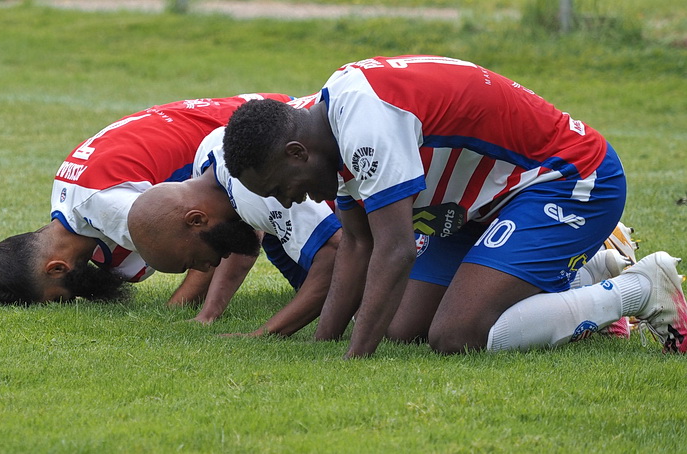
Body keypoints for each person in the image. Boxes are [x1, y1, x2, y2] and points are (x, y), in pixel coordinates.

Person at [222, 55, 687, 358]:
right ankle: (587, 270)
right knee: (403, 327)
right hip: (485, 204)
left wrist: (353, 361)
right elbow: (357, 244)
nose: (289, 200)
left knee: (456, 335)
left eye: (282, 187)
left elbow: (395, 249)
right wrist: (325, 343)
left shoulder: (367, 122)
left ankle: (642, 289)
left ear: (297, 153)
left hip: (570, 180)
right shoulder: (326, 127)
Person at [0, 94, 337, 327]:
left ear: (56, 267)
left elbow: (208, 232)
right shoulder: (68, 197)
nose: (73, 301)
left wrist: (182, 308)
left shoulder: (110, 209)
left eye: (60, 299)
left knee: (343, 245)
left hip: (263, 142)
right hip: (249, 118)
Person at [128, 125, 341, 336]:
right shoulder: (207, 159)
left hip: (356, 194)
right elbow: (241, 228)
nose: (202, 269)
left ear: (196, 219)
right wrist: (209, 312)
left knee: (346, 297)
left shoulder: (261, 189)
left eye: (192, 261)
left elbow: (333, 255)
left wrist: (263, 334)